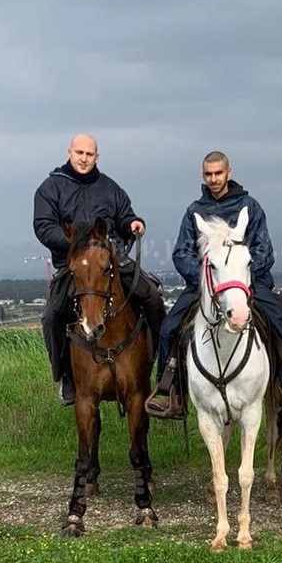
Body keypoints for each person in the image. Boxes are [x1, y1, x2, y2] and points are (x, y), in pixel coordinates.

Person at [145, 151, 282, 419]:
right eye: (209, 174)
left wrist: (240, 278)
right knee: (171, 326)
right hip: (206, 285)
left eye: (218, 173)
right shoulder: (194, 211)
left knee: (280, 317)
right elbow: (181, 253)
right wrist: (206, 280)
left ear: (229, 172)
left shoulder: (250, 206)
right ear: (203, 176)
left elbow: (264, 251)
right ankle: (170, 392)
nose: (214, 179)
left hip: (247, 284)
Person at [32, 134, 165, 406]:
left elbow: (125, 214)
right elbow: (43, 227)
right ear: (69, 153)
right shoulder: (50, 188)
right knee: (51, 316)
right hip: (74, 265)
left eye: (89, 154)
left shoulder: (110, 187)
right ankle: (66, 376)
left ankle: (161, 369)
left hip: (112, 260)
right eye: (79, 152)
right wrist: (73, 244)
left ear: (97, 157)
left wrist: (133, 223)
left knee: (152, 297)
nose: (83, 158)